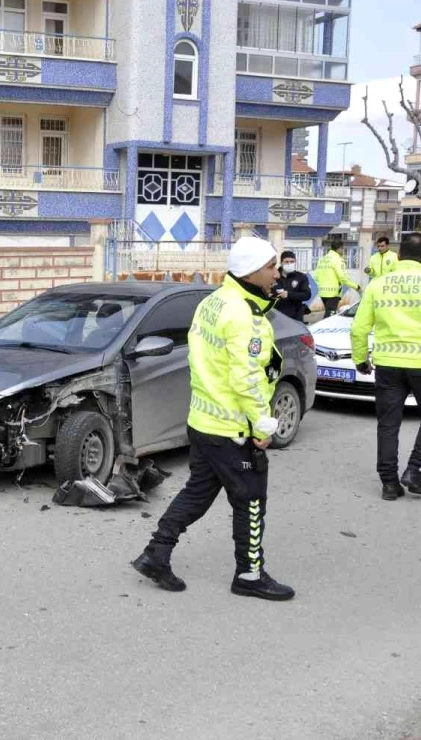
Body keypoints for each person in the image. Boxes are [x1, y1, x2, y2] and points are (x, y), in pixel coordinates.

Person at [132, 237, 294, 602]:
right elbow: (247, 378)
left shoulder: (214, 301)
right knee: (251, 500)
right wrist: (262, 425)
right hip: (233, 428)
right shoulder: (244, 316)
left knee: (198, 492)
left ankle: (157, 552)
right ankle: (250, 575)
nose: (277, 273)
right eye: (271, 267)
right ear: (250, 271)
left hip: (204, 421)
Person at [350, 232, 421, 501]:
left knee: (388, 425)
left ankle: (389, 484)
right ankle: (415, 469)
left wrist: (360, 359)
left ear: (398, 255)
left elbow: (359, 327)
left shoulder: (378, 285)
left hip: (387, 365)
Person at [314, 238, 360, 318]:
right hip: (333, 292)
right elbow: (343, 277)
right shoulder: (338, 259)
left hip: (322, 292)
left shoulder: (322, 259)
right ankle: (325, 329)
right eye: (343, 249)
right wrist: (356, 286)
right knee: (330, 316)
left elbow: (316, 276)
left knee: (329, 313)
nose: (343, 251)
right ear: (339, 248)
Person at [273, 250, 312, 322]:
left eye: (292, 262)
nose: (289, 264)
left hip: (296, 317)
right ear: (281, 263)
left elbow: (307, 295)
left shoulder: (301, 277)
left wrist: (289, 294)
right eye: (286, 262)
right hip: (277, 316)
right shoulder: (274, 276)